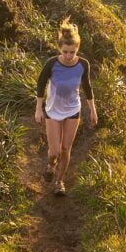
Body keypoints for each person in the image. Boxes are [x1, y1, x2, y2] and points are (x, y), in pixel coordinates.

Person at [34, 17, 98, 195]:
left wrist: (93, 111)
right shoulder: (52, 64)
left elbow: (87, 87)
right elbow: (40, 84)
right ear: (60, 48)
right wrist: (38, 109)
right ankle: (51, 165)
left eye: (72, 52)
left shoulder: (83, 64)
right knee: (54, 151)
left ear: (77, 49)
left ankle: (59, 182)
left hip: (72, 110)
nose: (69, 56)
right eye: (65, 52)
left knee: (65, 149)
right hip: (53, 110)